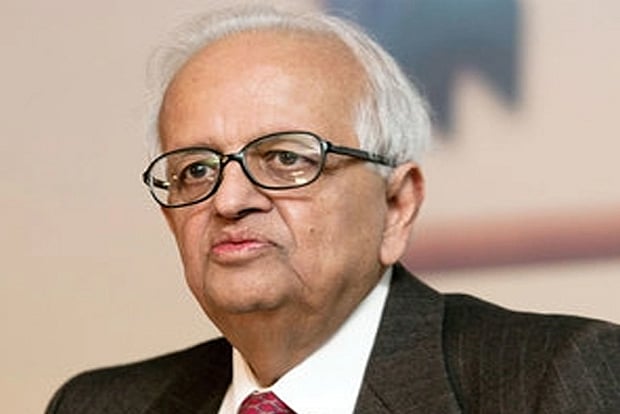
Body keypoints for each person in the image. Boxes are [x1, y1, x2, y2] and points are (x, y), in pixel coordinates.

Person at [46, 5, 620, 414]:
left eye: (286, 158)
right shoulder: (99, 404)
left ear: (396, 205)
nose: (229, 200)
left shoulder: (553, 378)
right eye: (196, 168)